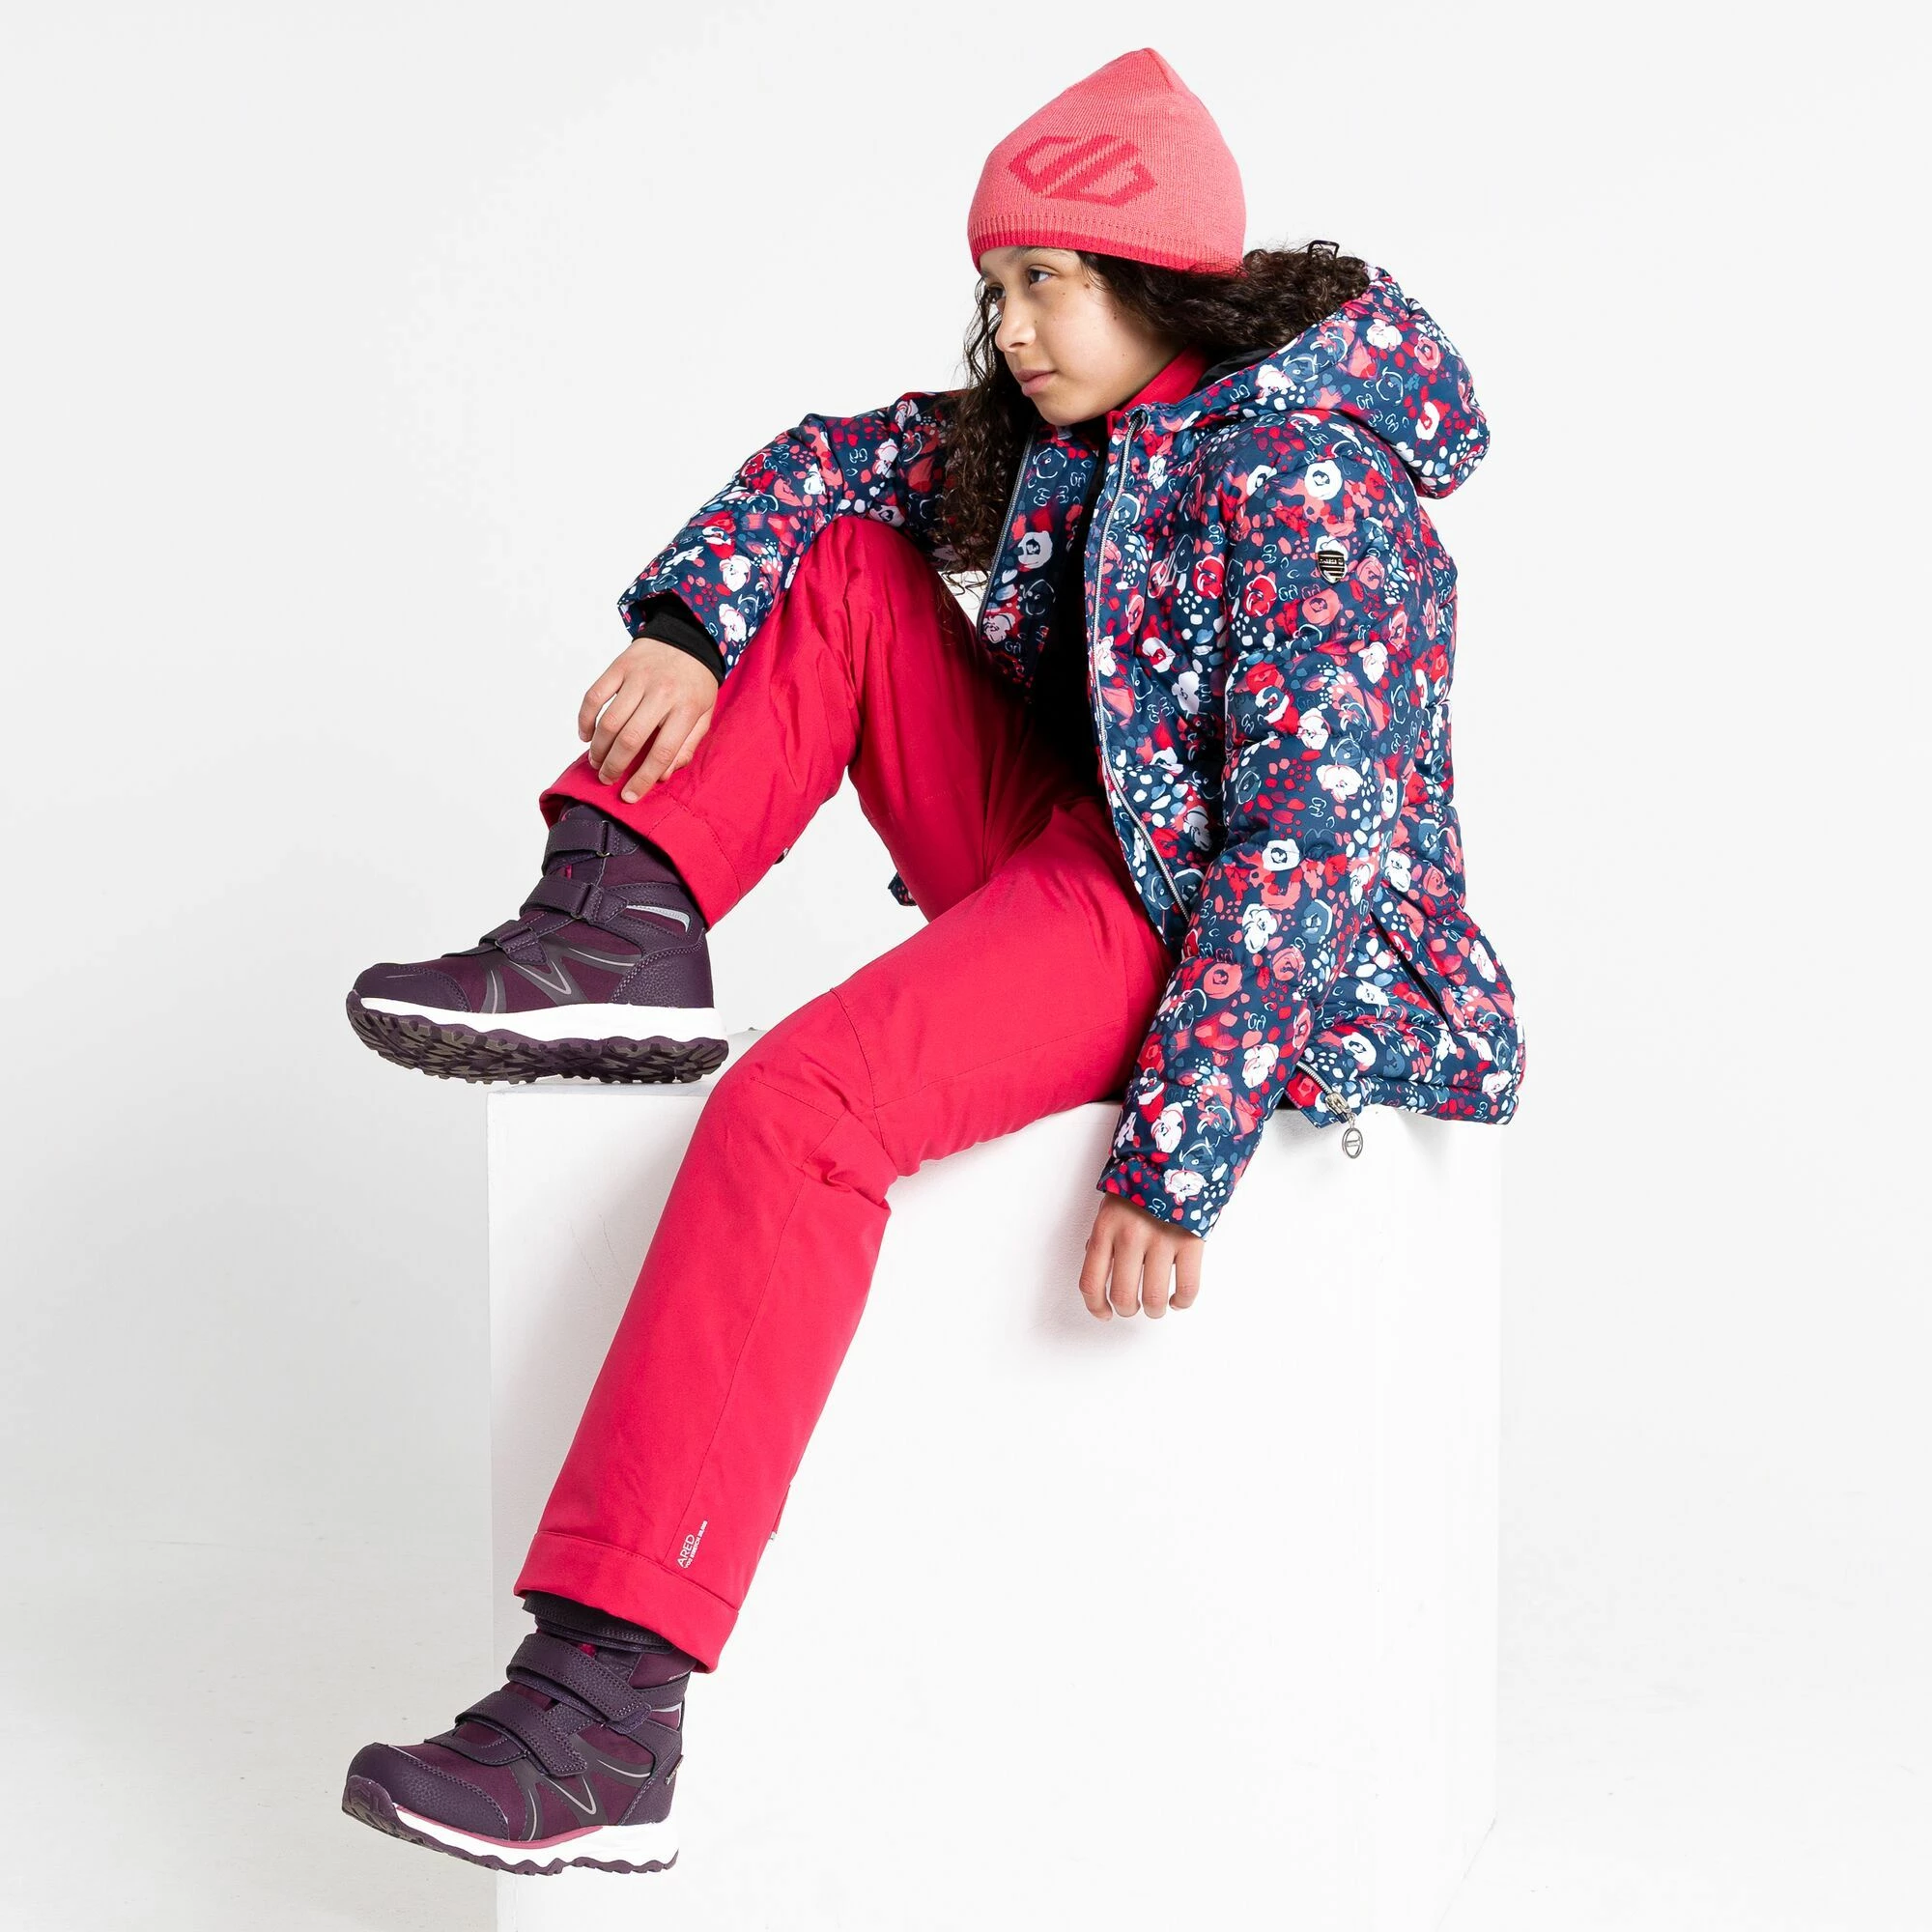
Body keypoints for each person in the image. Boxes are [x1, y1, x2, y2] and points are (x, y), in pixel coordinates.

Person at [338, 45, 1525, 1877]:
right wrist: (686, 625)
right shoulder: (1076, 431)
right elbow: (836, 463)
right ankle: (615, 917)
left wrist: (1181, 1148)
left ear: (1161, 277)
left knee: (798, 1113)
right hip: (1086, 848)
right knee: (845, 567)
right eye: (998, 283)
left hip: (1222, 932)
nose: (1015, 324)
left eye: (1050, 277)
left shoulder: (1310, 480)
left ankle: (605, 1715)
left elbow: (1309, 842)